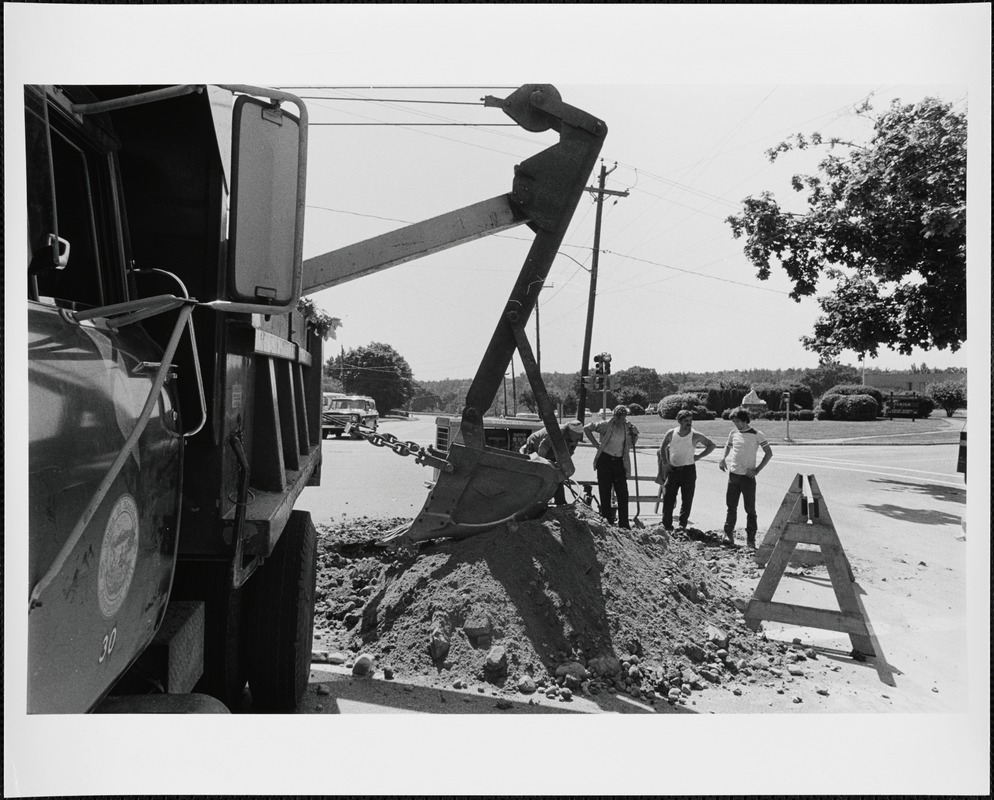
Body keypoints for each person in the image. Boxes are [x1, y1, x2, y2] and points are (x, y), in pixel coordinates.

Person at [718, 407, 773, 548]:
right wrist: (723, 458)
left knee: (750, 509)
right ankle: (728, 534)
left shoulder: (756, 434)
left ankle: (751, 539)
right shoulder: (733, 433)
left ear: (745, 420)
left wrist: (757, 470)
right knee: (731, 506)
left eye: (738, 421)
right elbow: (728, 446)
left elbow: (768, 453)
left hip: (747, 478)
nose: (736, 424)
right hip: (733, 475)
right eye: (734, 422)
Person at [656, 410, 716, 531]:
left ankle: (682, 525)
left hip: (688, 470)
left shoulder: (695, 435)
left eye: (690, 421)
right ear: (679, 421)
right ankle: (666, 524)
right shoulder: (671, 433)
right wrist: (666, 463)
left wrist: (698, 456)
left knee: (687, 499)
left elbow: (711, 445)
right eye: (685, 421)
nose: (688, 423)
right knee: (668, 498)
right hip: (673, 470)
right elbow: (662, 447)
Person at [584, 405, 640, 529]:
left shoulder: (627, 427)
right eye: (620, 417)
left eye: (624, 417)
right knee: (605, 491)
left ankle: (624, 524)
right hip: (605, 460)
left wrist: (635, 434)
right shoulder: (605, 425)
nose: (622, 420)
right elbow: (587, 428)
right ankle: (607, 522)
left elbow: (631, 442)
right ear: (615, 416)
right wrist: (597, 445)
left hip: (619, 461)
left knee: (622, 492)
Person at [519, 420, 585, 505]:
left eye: (579, 436)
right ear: (570, 431)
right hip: (535, 447)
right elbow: (543, 447)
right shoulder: (557, 432)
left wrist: (563, 466)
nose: (578, 438)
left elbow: (569, 453)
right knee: (538, 476)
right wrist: (541, 466)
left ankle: (560, 502)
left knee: (558, 475)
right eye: (576, 435)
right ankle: (532, 502)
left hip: (552, 452)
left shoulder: (574, 438)